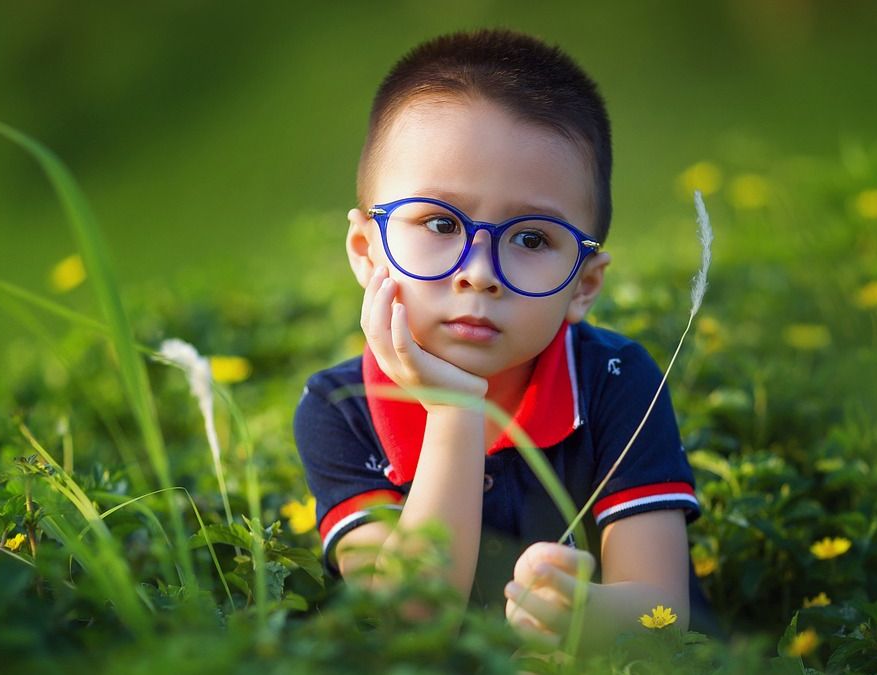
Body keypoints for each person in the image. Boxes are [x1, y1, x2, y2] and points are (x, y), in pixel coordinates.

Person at [293, 28, 711, 650]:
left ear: (583, 287)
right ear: (366, 250)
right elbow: (408, 621)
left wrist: (584, 617)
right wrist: (455, 410)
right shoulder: (340, 409)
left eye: (533, 239)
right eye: (438, 222)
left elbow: (662, 613)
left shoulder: (616, 382)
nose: (479, 273)